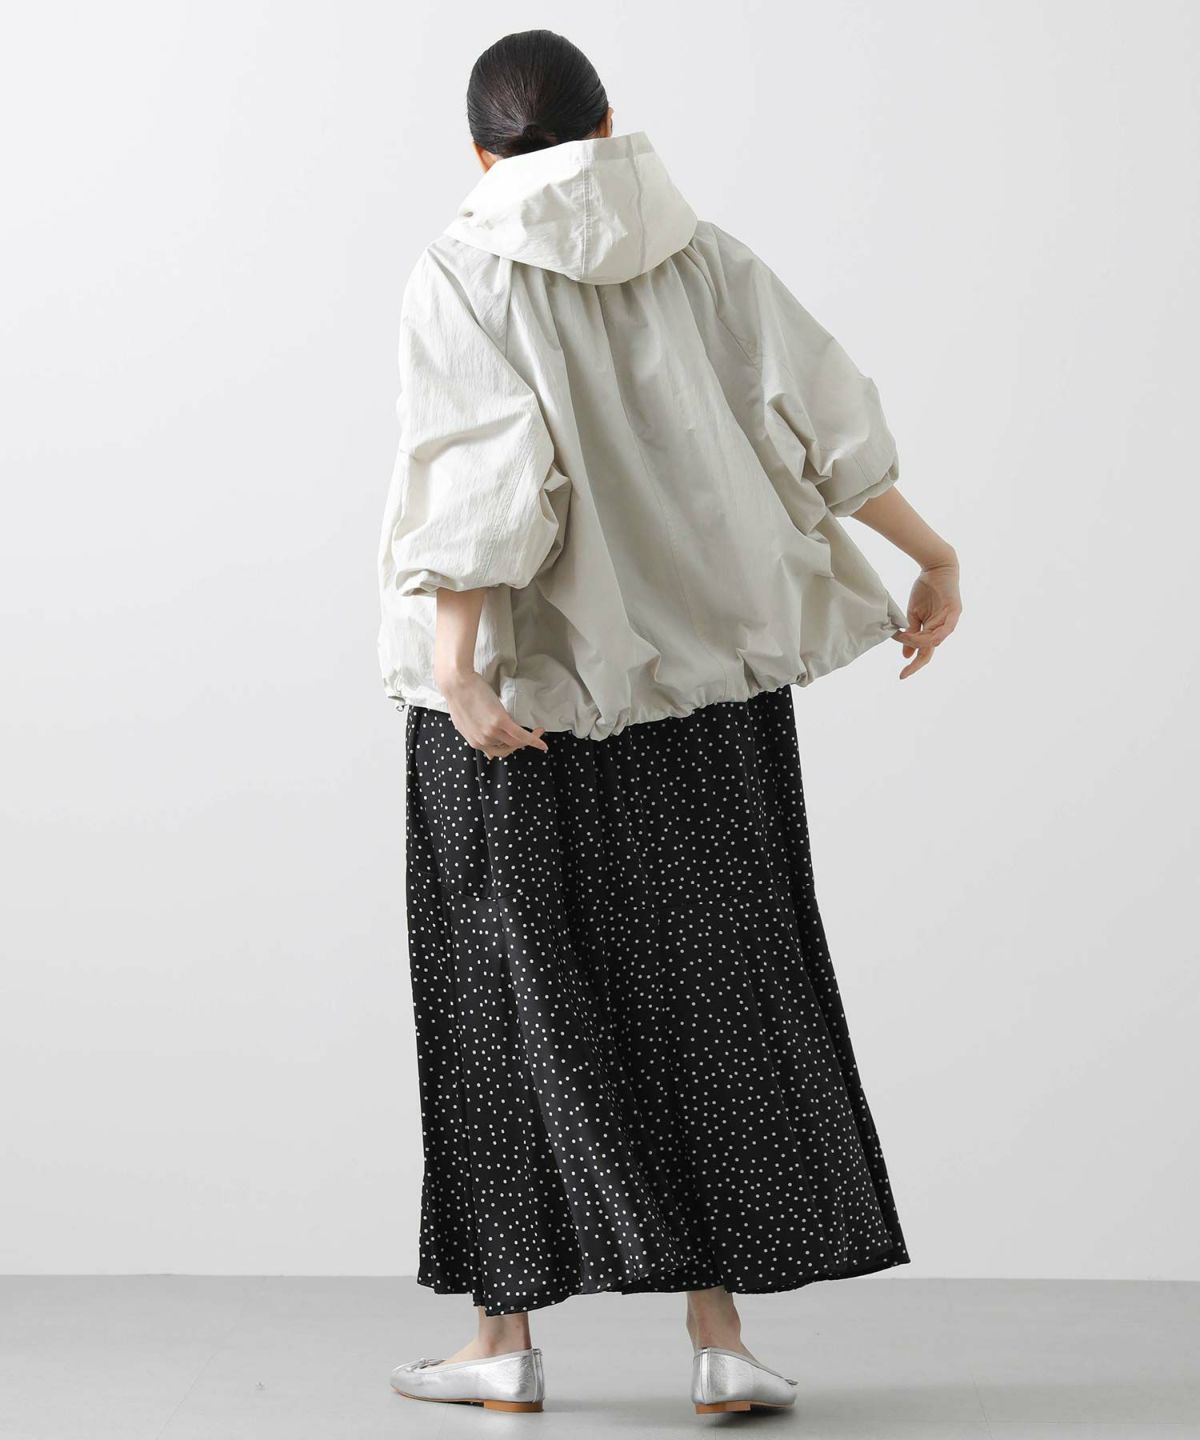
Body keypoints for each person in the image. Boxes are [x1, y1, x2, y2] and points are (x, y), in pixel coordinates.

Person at [377, 28, 961, 1417]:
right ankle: (719, 1340)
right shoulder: (703, 256)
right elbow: (823, 418)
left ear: (481, 153)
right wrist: (931, 555)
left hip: (519, 702)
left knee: (499, 1003)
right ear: (607, 126)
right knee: (715, 992)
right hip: (704, 695)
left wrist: (457, 670)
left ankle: (503, 1344)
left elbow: (479, 480)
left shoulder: (464, 268)